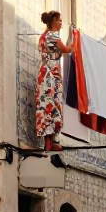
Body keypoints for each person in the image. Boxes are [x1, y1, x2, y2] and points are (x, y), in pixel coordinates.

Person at [36, 10, 74, 152]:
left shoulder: (43, 36)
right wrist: (76, 42)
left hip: (44, 73)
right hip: (52, 74)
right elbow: (66, 49)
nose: (61, 23)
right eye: (59, 21)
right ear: (53, 22)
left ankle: (48, 142)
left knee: (45, 105)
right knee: (53, 104)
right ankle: (53, 141)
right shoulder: (53, 35)